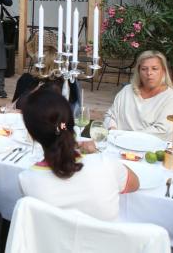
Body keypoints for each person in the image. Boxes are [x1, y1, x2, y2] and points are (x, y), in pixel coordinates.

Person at [19, 89, 139, 221]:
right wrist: (96, 154)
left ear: (31, 134)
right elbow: (135, 184)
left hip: (56, 241)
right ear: (71, 122)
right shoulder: (105, 165)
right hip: (105, 240)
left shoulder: (27, 179)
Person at [103, 50, 173, 141]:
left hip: (152, 150)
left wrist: (126, 137)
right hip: (117, 144)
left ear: (163, 71)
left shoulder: (172, 98)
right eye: (144, 69)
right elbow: (110, 116)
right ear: (139, 72)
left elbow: (163, 131)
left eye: (154, 68)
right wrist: (112, 130)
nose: (149, 73)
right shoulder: (127, 91)